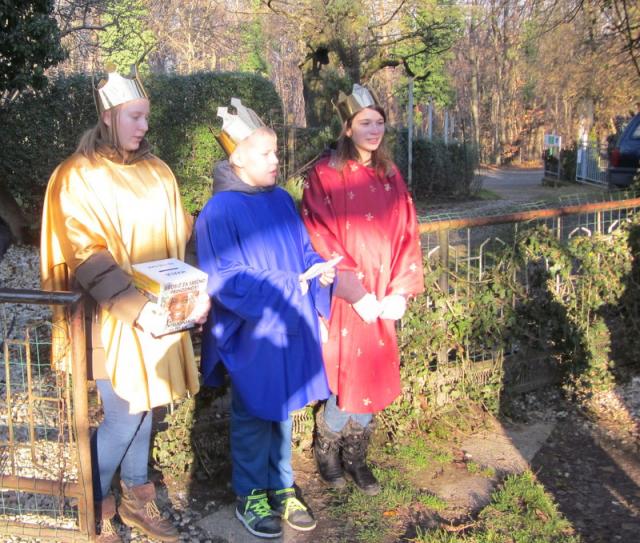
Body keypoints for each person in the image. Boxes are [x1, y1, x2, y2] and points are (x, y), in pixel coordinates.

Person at [40, 65, 209, 543]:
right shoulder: (78, 175)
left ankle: (136, 497)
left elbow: (178, 236)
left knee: (148, 404)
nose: (144, 126)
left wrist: (194, 292)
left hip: (159, 314)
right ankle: (92, 502)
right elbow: (85, 252)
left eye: (146, 116)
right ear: (109, 116)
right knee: (124, 413)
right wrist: (137, 308)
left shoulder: (158, 171)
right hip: (107, 318)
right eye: (135, 116)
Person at [196, 98, 335, 539]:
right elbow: (223, 275)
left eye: (276, 152)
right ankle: (250, 494)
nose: (277, 160)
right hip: (252, 329)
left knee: (282, 408)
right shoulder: (219, 211)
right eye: (266, 154)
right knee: (254, 413)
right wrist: (283, 283)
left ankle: (282, 486)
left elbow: (303, 249)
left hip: (288, 322)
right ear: (238, 160)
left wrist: (318, 268)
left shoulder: (281, 199)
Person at [302, 84, 424, 495]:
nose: (374, 130)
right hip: (346, 296)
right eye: (365, 122)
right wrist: (354, 290)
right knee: (348, 376)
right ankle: (327, 449)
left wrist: (400, 291)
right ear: (347, 128)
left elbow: (407, 230)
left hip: (383, 292)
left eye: (380, 122)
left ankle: (356, 456)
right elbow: (319, 234)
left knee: (374, 372)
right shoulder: (325, 175)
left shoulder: (390, 174)